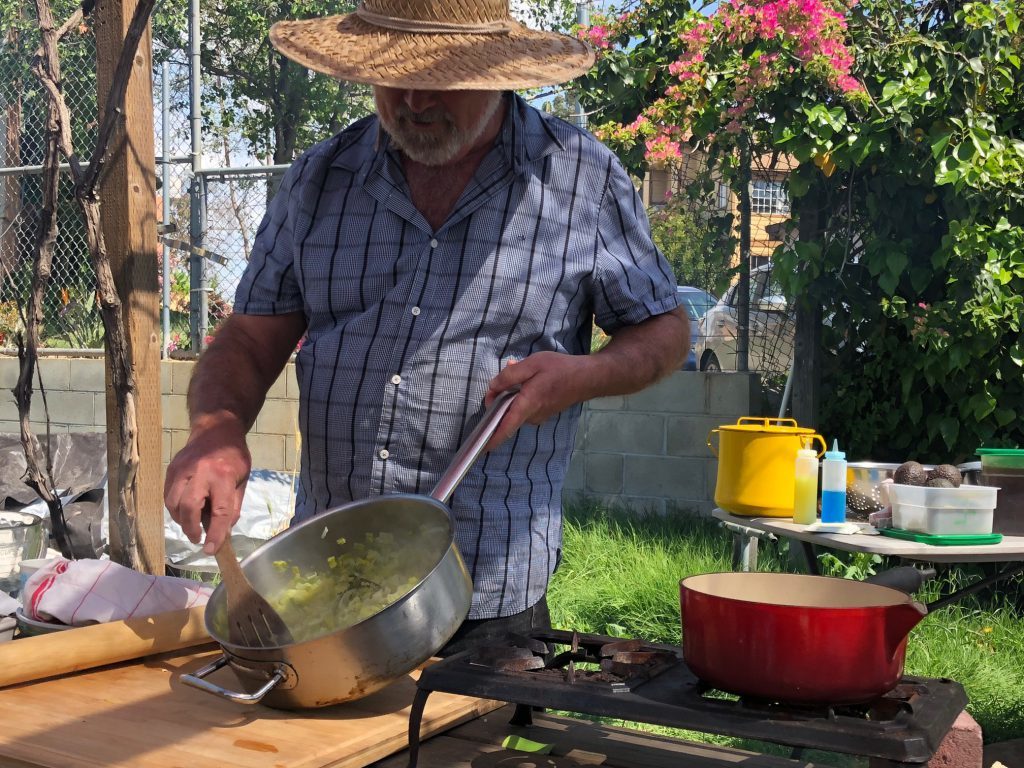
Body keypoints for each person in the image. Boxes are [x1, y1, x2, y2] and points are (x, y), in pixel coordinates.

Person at [163, 0, 690, 653]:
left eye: (438, 75)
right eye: (392, 73)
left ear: (494, 70)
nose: (412, 98)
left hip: (486, 594)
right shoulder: (320, 181)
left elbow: (664, 330)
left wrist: (581, 377)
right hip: (334, 586)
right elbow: (246, 339)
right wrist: (215, 434)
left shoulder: (580, 179)